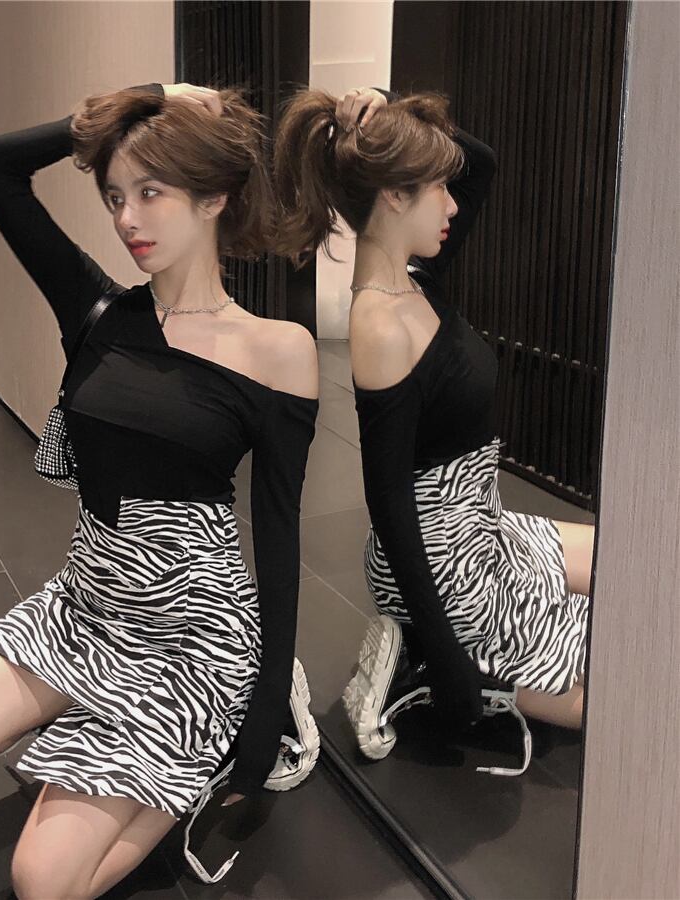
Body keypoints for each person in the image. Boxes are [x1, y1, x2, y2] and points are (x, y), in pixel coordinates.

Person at [0, 81, 319, 898]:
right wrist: (146, 99)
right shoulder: (99, 312)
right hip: (86, 605)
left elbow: (280, 541)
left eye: (151, 192)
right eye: (113, 196)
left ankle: (199, 738)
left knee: (43, 883)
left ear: (214, 196)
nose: (127, 219)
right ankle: (97, 725)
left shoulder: (278, 350)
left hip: (191, 636)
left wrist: (263, 712)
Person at [272, 84, 592, 762]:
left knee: (639, 574)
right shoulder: (381, 325)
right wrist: (448, 657)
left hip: (482, 524)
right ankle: (422, 664)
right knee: (618, 690)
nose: (453, 204)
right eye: (438, 189)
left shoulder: (419, 277)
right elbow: (389, 504)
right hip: (443, 563)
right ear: (394, 196)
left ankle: (424, 649)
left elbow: (484, 165)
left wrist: (389, 107)